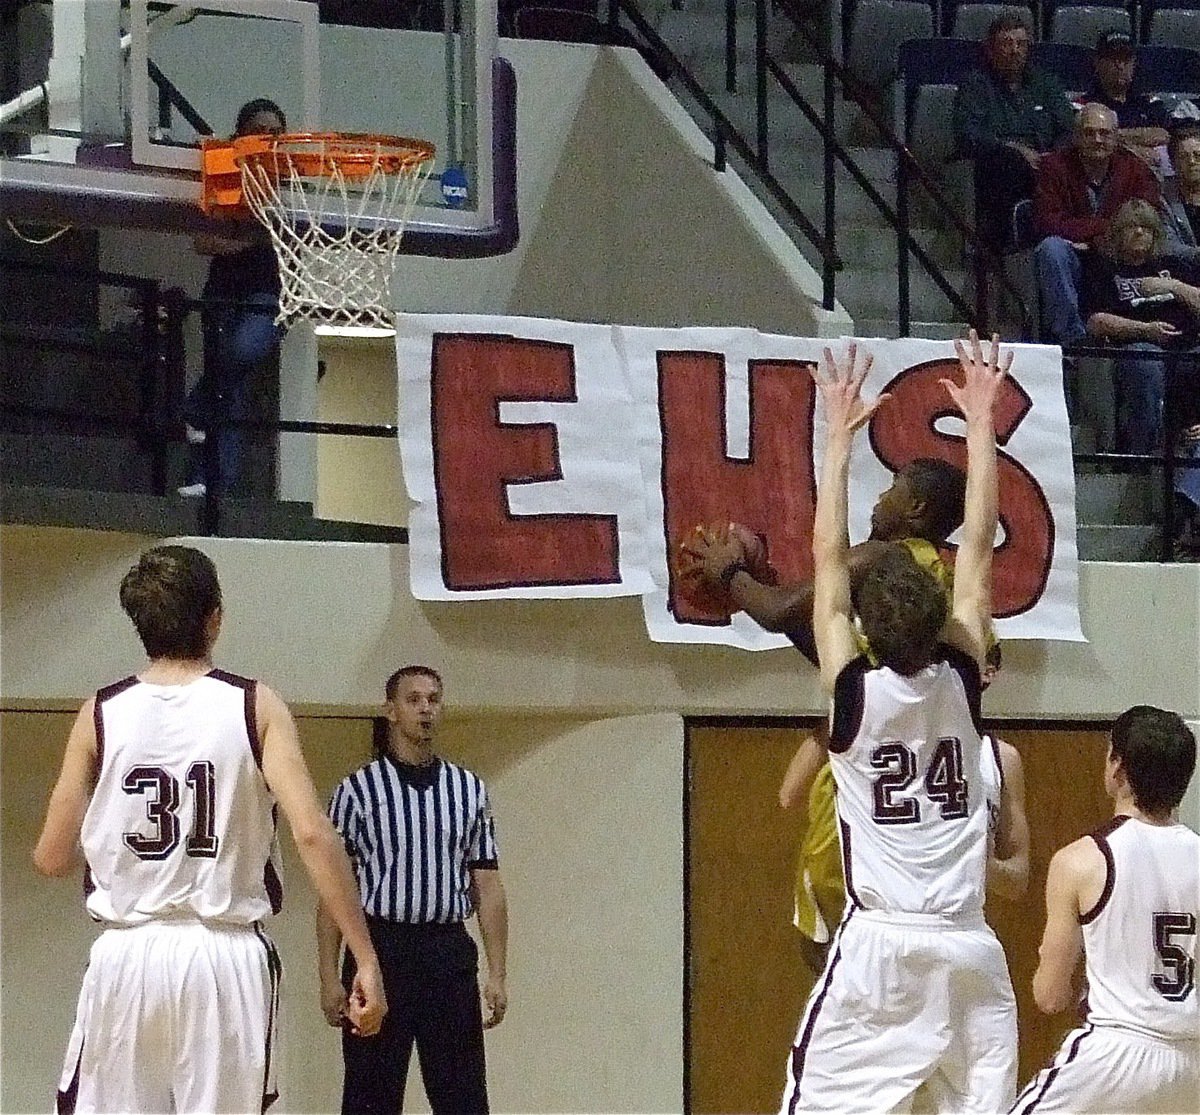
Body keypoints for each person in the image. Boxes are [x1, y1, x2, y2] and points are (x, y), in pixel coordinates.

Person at [33, 545, 386, 1115]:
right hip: (226, 955)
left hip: (127, 952)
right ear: (214, 618)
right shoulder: (254, 704)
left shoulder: (99, 711)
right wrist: (364, 955)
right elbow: (313, 835)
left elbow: (51, 857)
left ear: (140, 625)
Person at [779, 332, 1019, 1114]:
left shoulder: (853, 695)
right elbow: (977, 545)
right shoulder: (964, 679)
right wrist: (980, 425)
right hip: (970, 948)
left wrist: (838, 439)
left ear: (867, 632)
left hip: (883, 947)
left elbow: (827, 561)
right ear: (944, 621)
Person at [318, 665, 509, 1115]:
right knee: (370, 1096)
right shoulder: (357, 791)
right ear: (391, 710)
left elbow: (488, 885)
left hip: (446, 952)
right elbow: (335, 893)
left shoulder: (468, 790)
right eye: (414, 699)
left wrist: (498, 973)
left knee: (463, 1097)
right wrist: (328, 976)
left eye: (434, 699)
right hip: (379, 950)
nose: (425, 709)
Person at [1011, 705, 1198, 1114]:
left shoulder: (1081, 859)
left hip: (1116, 1051)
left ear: (1118, 768)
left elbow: (1050, 995)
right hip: (1191, 1062)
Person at [180, 98, 287, 499]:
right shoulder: (224, 174)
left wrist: (251, 239)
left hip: (270, 292)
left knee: (240, 354)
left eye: (276, 132)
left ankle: (192, 409)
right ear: (240, 135)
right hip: (223, 292)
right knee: (231, 389)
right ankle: (210, 480)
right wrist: (252, 240)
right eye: (260, 130)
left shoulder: (292, 179)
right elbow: (203, 241)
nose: (268, 137)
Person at [1034, 102, 1163, 347]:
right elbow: (1047, 221)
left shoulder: (1134, 168)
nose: (1097, 140)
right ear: (1076, 137)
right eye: (1089, 133)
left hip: (1119, 252)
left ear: (1116, 137)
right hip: (1074, 253)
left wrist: (1097, 237)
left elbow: (1147, 216)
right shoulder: (1054, 166)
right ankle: (1074, 341)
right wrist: (1107, 230)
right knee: (1051, 249)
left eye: (1104, 133)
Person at [1080, 198, 1200, 454]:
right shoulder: (1104, 269)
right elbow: (1096, 322)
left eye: (1145, 227)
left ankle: (1192, 445)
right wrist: (1146, 330)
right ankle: (1143, 456)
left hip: (1187, 348)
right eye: (1131, 227)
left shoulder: (1174, 266)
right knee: (1145, 363)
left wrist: (1173, 286)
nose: (1138, 232)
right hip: (1139, 348)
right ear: (1118, 233)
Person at [953, 14, 1075, 247]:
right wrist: (1015, 149)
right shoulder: (976, 85)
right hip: (997, 166)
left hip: (1046, 163)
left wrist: (1051, 157)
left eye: (1021, 44)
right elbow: (967, 133)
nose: (1015, 50)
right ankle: (1006, 244)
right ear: (991, 49)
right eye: (1007, 44)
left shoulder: (1046, 83)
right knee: (1007, 162)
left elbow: (1068, 128)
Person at [1081, 31, 1171, 172]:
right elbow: (1084, 141)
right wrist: (1132, 152)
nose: (1120, 66)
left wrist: (1112, 138)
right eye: (1113, 59)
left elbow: (1164, 134)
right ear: (1097, 63)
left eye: (1126, 59)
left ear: (1134, 64)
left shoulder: (1149, 102)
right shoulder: (1083, 105)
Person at [1162, 125, 1200, 264]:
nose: (1191, 162)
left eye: (1197, 155)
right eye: (1183, 157)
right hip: (1183, 269)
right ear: (1172, 163)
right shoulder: (1163, 199)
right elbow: (1167, 244)